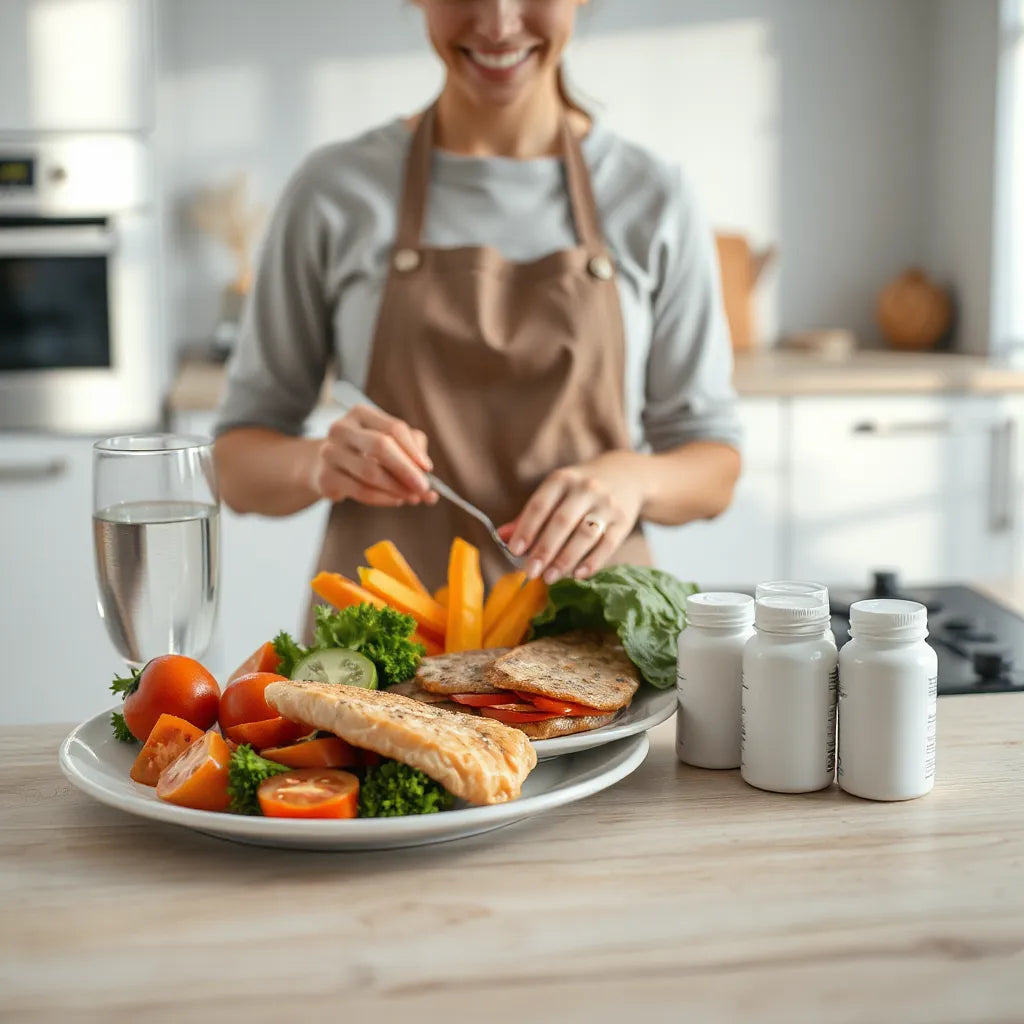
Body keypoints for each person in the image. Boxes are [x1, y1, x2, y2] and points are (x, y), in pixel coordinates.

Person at [213, 0, 742, 599]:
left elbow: (715, 467)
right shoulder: (335, 190)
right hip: (378, 665)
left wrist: (633, 477)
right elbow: (236, 463)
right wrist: (317, 464)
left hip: (598, 650)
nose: (497, 23)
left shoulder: (653, 195)